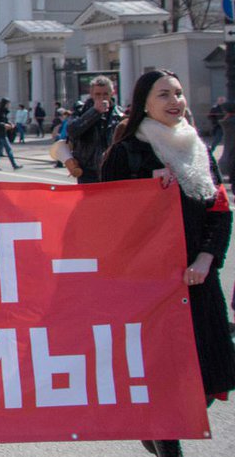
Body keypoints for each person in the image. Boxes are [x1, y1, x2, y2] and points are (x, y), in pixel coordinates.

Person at [99, 70, 234, 457]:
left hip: (198, 279)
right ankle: (163, 435)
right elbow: (104, 217)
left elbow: (219, 210)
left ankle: (154, 431)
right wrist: (146, 196)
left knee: (212, 374)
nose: (176, 100)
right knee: (164, 380)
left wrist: (207, 258)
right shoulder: (127, 153)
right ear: (145, 103)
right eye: (164, 94)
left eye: (178, 92)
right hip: (150, 288)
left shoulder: (198, 148)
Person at [67, 75, 122, 184]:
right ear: (91, 94)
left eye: (105, 94)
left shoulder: (119, 114)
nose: (102, 97)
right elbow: (72, 130)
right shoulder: (81, 111)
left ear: (112, 93)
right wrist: (95, 111)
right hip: (88, 171)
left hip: (111, 170)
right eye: (98, 94)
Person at [0, 97, 22, 171]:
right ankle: (14, 165)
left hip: (1, 132)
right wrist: (4, 125)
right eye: (8, 104)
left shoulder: (3, 111)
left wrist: (10, 124)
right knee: (8, 149)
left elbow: (5, 120)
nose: (9, 105)